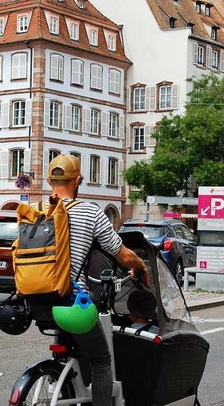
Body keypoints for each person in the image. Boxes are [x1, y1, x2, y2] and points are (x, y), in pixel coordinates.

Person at [43, 155, 149, 406]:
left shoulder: (36, 210)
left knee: (73, 343)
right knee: (101, 360)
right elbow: (121, 254)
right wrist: (140, 265)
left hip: (35, 298)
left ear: (49, 180)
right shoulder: (89, 212)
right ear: (78, 180)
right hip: (70, 301)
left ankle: (61, 377)